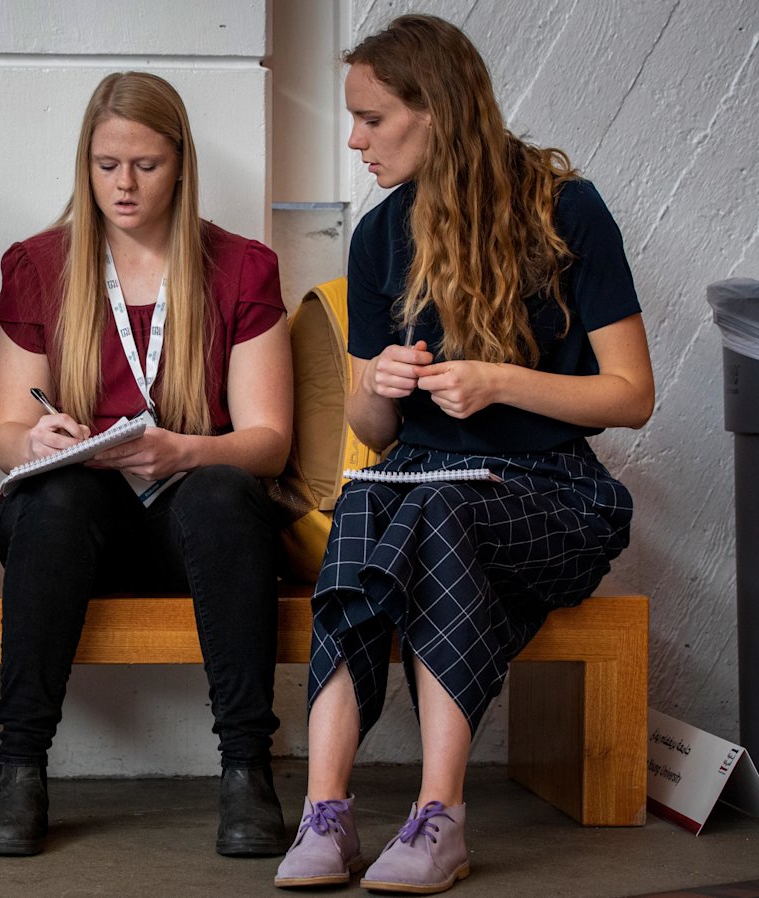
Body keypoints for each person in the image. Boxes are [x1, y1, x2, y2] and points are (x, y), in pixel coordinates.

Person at [274, 15, 654, 895]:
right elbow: (373, 432)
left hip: (552, 495)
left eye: (372, 118)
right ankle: (326, 813)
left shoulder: (567, 210)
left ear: (437, 111)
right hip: (421, 485)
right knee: (371, 495)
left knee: (428, 510)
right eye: (353, 117)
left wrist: (500, 382)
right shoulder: (379, 237)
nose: (355, 139)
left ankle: (439, 813)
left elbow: (631, 394)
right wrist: (384, 382)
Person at [0, 71, 294, 858]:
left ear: (181, 164)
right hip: (75, 532)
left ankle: (248, 770)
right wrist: (37, 442)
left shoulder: (242, 266)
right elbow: (7, 433)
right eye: (106, 163)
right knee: (51, 498)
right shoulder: (38, 263)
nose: (123, 184)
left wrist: (186, 449)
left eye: (145, 165)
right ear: (84, 161)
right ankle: (19, 769)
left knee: (222, 490)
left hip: (198, 532)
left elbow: (268, 441)